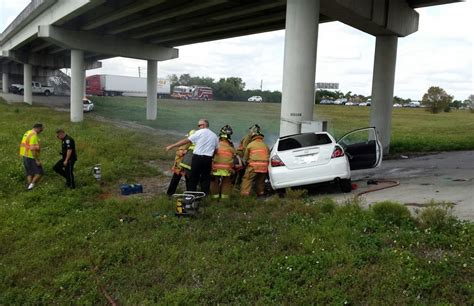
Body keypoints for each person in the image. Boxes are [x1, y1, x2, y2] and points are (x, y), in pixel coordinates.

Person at [166, 119, 218, 195]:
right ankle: (204, 197)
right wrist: (211, 158)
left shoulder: (199, 133)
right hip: (207, 159)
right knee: (205, 179)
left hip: (194, 160)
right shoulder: (214, 135)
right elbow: (216, 150)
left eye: (199, 125)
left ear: (203, 125)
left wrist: (172, 146)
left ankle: (190, 196)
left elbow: (185, 142)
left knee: (192, 179)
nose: (198, 127)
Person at [210, 125, 239, 200]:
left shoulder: (215, 145)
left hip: (216, 167)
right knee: (226, 182)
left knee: (214, 181)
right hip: (227, 168)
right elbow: (235, 156)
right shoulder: (231, 147)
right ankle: (224, 199)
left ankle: (214, 198)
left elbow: (211, 156)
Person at [240, 127, 270, 197]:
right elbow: (268, 155)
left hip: (253, 166)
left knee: (247, 179)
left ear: (253, 136)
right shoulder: (265, 145)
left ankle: (244, 195)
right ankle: (261, 194)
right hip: (264, 167)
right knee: (260, 181)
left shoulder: (251, 145)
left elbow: (245, 157)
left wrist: (245, 163)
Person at [166, 129, 195, 196]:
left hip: (186, 165)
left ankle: (189, 195)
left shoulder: (195, 144)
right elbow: (178, 152)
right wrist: (183, 152)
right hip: (179, 165)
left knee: (188, 180)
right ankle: (169, 194)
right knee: (175, 180)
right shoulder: (186, 144)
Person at [19, 123, 44, 190]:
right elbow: (33, 148)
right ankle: (32, 185)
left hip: (25, 155)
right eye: (41, 129)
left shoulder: (27, 132)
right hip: (31, 156)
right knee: (40, 172)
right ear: (38, 128)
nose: (41, 131)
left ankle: (29, 187)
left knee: (29, 173)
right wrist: (37, 160)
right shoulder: (34, 135)